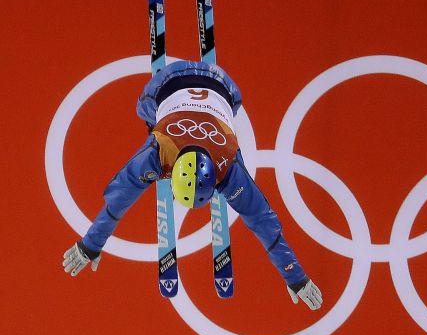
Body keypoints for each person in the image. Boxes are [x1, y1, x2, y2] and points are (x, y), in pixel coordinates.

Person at [62, 60, 323, 310]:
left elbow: (118, 201)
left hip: (218, 86)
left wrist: (92, 245)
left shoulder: (161, 152)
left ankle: (175, 112)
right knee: (147, 112)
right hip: (205, 83)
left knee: (153, 112)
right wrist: (294, 276)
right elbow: (263, 223)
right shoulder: (221, 164)